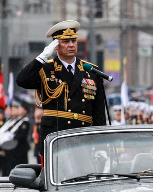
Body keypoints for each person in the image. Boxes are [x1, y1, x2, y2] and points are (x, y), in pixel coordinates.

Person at [15, 20, 108, 160]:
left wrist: (101, 145)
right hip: (56, 136)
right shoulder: (46, 69)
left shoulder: (91, 71)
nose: (71, 45)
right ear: (56, 46)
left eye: (73, 40)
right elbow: (21, 80)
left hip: (84, 137)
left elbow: (99, 111)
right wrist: (41, 58)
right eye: (65, 41)